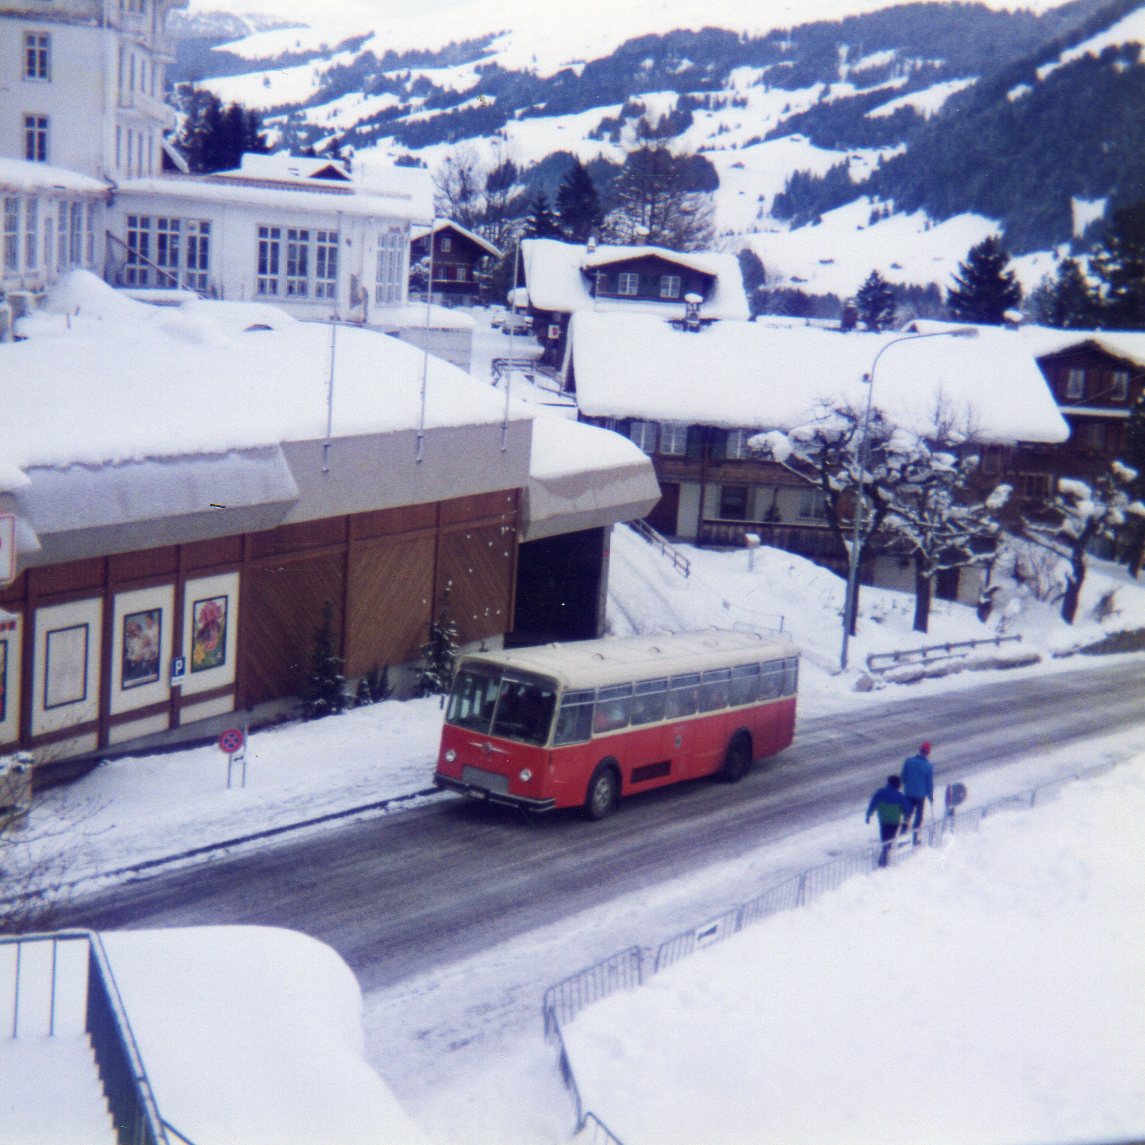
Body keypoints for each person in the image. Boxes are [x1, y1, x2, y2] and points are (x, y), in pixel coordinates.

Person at [866, 774, 911, 867]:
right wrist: (906, 819)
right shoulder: (900, 796)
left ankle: (883, 858)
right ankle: (884, 860)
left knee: (884, 839)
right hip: (895, 822)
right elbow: (907, 809)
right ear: (897, 785)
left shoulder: (880, 792)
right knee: (890, 840)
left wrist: (868, 815)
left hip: (883, 820)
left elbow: (873, 803)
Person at [900, 740, 935, 845]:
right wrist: (930, 796)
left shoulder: (908, 761)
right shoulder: (928, 766)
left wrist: (907, 785)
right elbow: (929, 783)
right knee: (919, 816)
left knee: (907, 813)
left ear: (920, 751)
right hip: (920, 795)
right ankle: (915, 836)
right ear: (928, 753)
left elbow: (903, 776)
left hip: (908, 793)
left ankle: (903, 832)